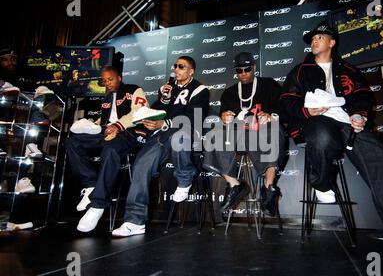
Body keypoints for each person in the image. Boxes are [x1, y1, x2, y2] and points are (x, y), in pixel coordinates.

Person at [280, 21, 383, 259]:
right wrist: (309, 111)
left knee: (381, 158)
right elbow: (287, 100)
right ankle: (322, 182)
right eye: (312, 39)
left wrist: (360, 115)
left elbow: (362, 96)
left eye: (319, 37)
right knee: (321, 135)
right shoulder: (300, 70)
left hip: (348, 124)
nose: (314, 41)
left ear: (332, 42)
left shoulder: (348, 69)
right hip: (316, 121)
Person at [78, 56, 210, 236]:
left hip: (184, 134)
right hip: (160, 136)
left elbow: (194, 118)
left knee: (179, 136)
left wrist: (164, 124)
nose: (177, 69)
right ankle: (135, 221)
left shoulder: (200, 90)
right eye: (175, 66)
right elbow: (154, 111)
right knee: (140, 165)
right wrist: (163, 101)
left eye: (182, 66)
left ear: (191, 71)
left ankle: (185, 175)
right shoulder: (168, 89)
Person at [66, 66, 149, 229]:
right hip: (107, 133)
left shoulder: (133, 90)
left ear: (119, 77)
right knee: (72, 142)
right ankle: (91, 185)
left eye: (110, 79)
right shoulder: (106, 99)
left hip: (129, 135)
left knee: (110, 149)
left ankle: (98, 204)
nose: (107, 83)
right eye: (104, 81)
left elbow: (140, 112)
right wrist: (91, 126)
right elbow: (104, 122)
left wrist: (118, 125)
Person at [203, 52, 284, 217]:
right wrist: (223, 117)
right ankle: (234, 185)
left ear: (254, 67)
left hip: (262, 133)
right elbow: (224, 117)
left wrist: (271, 115)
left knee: (273, 130)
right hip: (239, 135)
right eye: (239, 70)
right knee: (215, 134)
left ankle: (269, 189)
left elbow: (283, 106)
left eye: (247, 69)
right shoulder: (230, 92)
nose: (244, 73)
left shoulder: (268, 85)